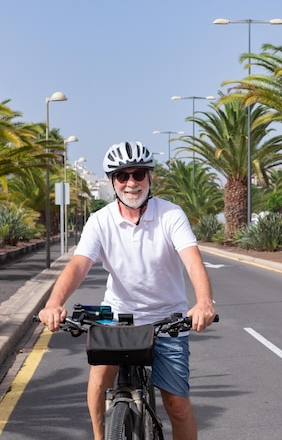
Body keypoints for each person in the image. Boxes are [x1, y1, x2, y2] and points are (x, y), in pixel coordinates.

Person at [39, 140, 216, 440]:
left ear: (150, 178)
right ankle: (100, 436)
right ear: (112, 182)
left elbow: (192, 261)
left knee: (177, 405)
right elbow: (78, 265)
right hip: (118, 318)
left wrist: (203, 302)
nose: (131, 182)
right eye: (123, 176)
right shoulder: (100, 221)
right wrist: (53, 303)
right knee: (98, 381)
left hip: (167, 321)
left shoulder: (171, 215)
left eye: (138, 174)